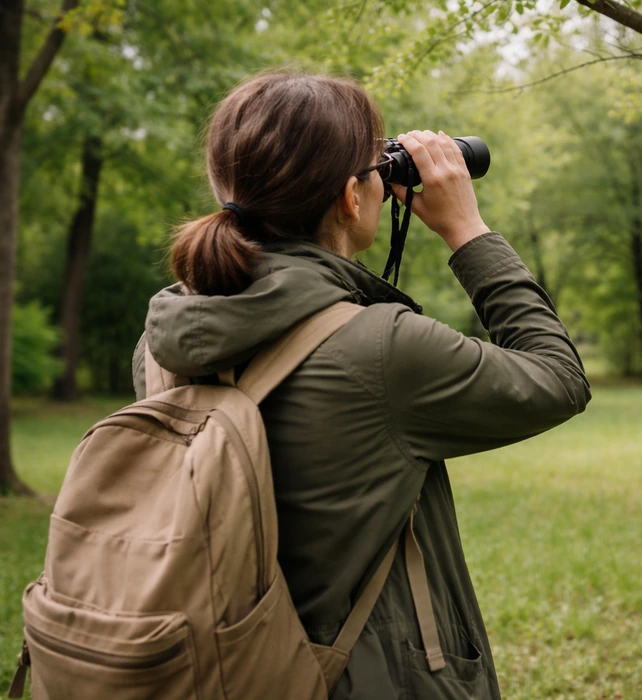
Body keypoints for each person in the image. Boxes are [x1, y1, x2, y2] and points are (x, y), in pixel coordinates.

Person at [131, 72, 591, 699]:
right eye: (379, 165)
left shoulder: (163, 341)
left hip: (214, 668)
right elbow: (559, 378)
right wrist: (467, 231)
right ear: (352, 197)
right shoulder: (381, 350)